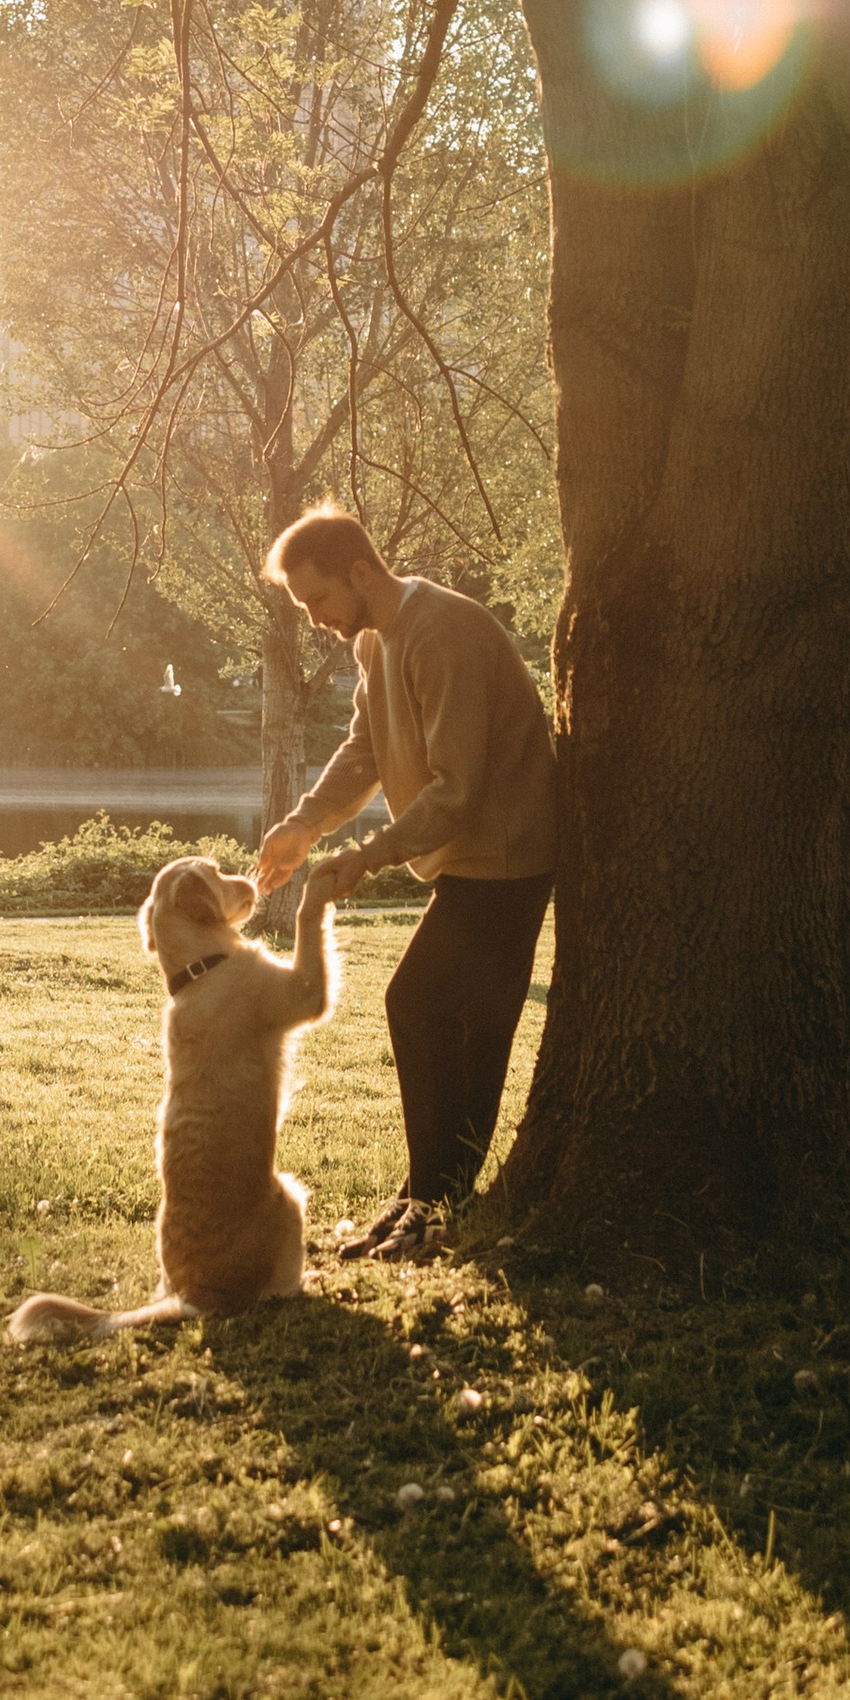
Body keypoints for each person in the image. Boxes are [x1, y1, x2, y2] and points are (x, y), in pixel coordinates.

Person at [253, 507, 557, 1264]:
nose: (317, 621)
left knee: (429, 1007)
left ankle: (433, 1203)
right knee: (444, 1015)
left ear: (360, 572)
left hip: (507, 855)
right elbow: (364, 748)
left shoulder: (441, 633)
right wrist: (305, 824)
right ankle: (429, 1199)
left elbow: (458, 788)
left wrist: (369, 856)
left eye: (317, 600)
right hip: (469, 859)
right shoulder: (375, 641)